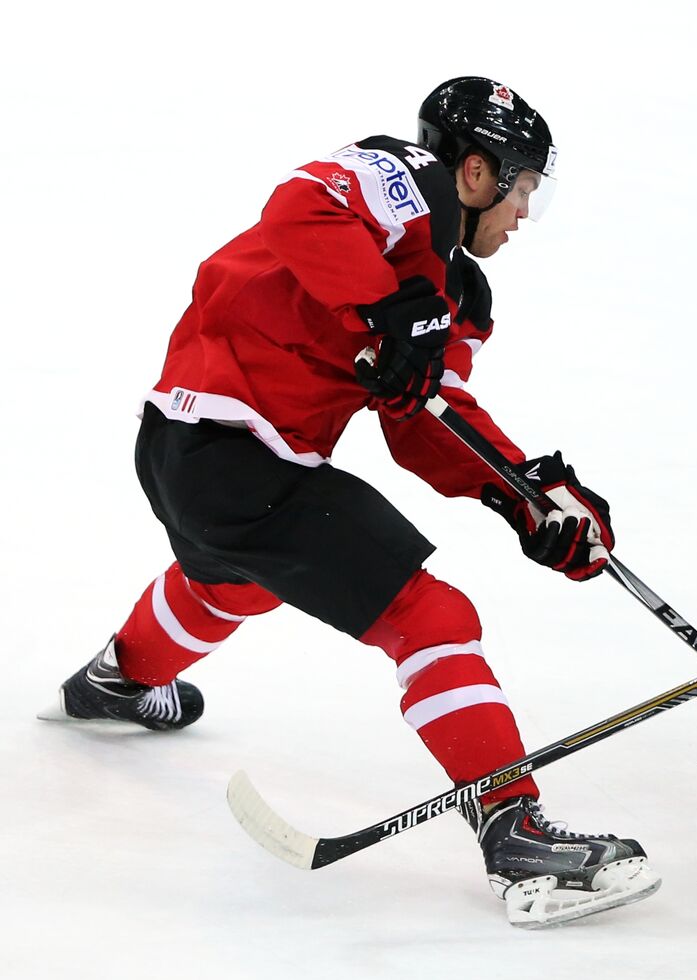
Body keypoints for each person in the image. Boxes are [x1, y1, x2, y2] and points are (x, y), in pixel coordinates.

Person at [44, 76, 660, 929]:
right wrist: (384, 303)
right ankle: (516, 833)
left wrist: (524, 495)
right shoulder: (407, 179)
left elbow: (424, 425)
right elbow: (299, 207)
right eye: (521, 189)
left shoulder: (457, 299)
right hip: (231, 447)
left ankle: (117, 680)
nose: (522, 215)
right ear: (475, 173)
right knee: (431, 617)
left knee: (236, 582)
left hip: (192, 456)